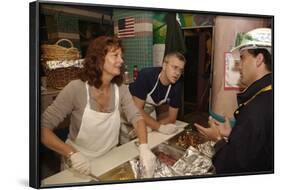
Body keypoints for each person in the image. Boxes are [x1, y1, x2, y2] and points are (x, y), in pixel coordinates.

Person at [41, 36, 156, 177]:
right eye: (115, 55)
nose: (121, 61)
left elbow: (136, 118)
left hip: (109, 159)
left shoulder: (121, 89)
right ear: (99, 59)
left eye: (121, 56)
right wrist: (71, 154)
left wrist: (144, 146)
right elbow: (42, 129)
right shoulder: (76, 89)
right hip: (78, 164)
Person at [194, 28, 273, 174]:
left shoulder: (255, 109)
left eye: (242, 58)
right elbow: (260, 146)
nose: (239, 65)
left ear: (259, 59)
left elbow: (231, 166)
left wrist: (217, 139)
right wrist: (234, 133)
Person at [119, 52, 186, 143]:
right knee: (128, 146)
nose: (177, 73)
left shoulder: (177, 85)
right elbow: (137, 110)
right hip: (128, 111)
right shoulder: (146, 75)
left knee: (151, 140)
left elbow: (172, 118)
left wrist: (151, 128)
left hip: (147, 113)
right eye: (174, 67)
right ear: (164, 65)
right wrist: (159, 127)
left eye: (181, 70)